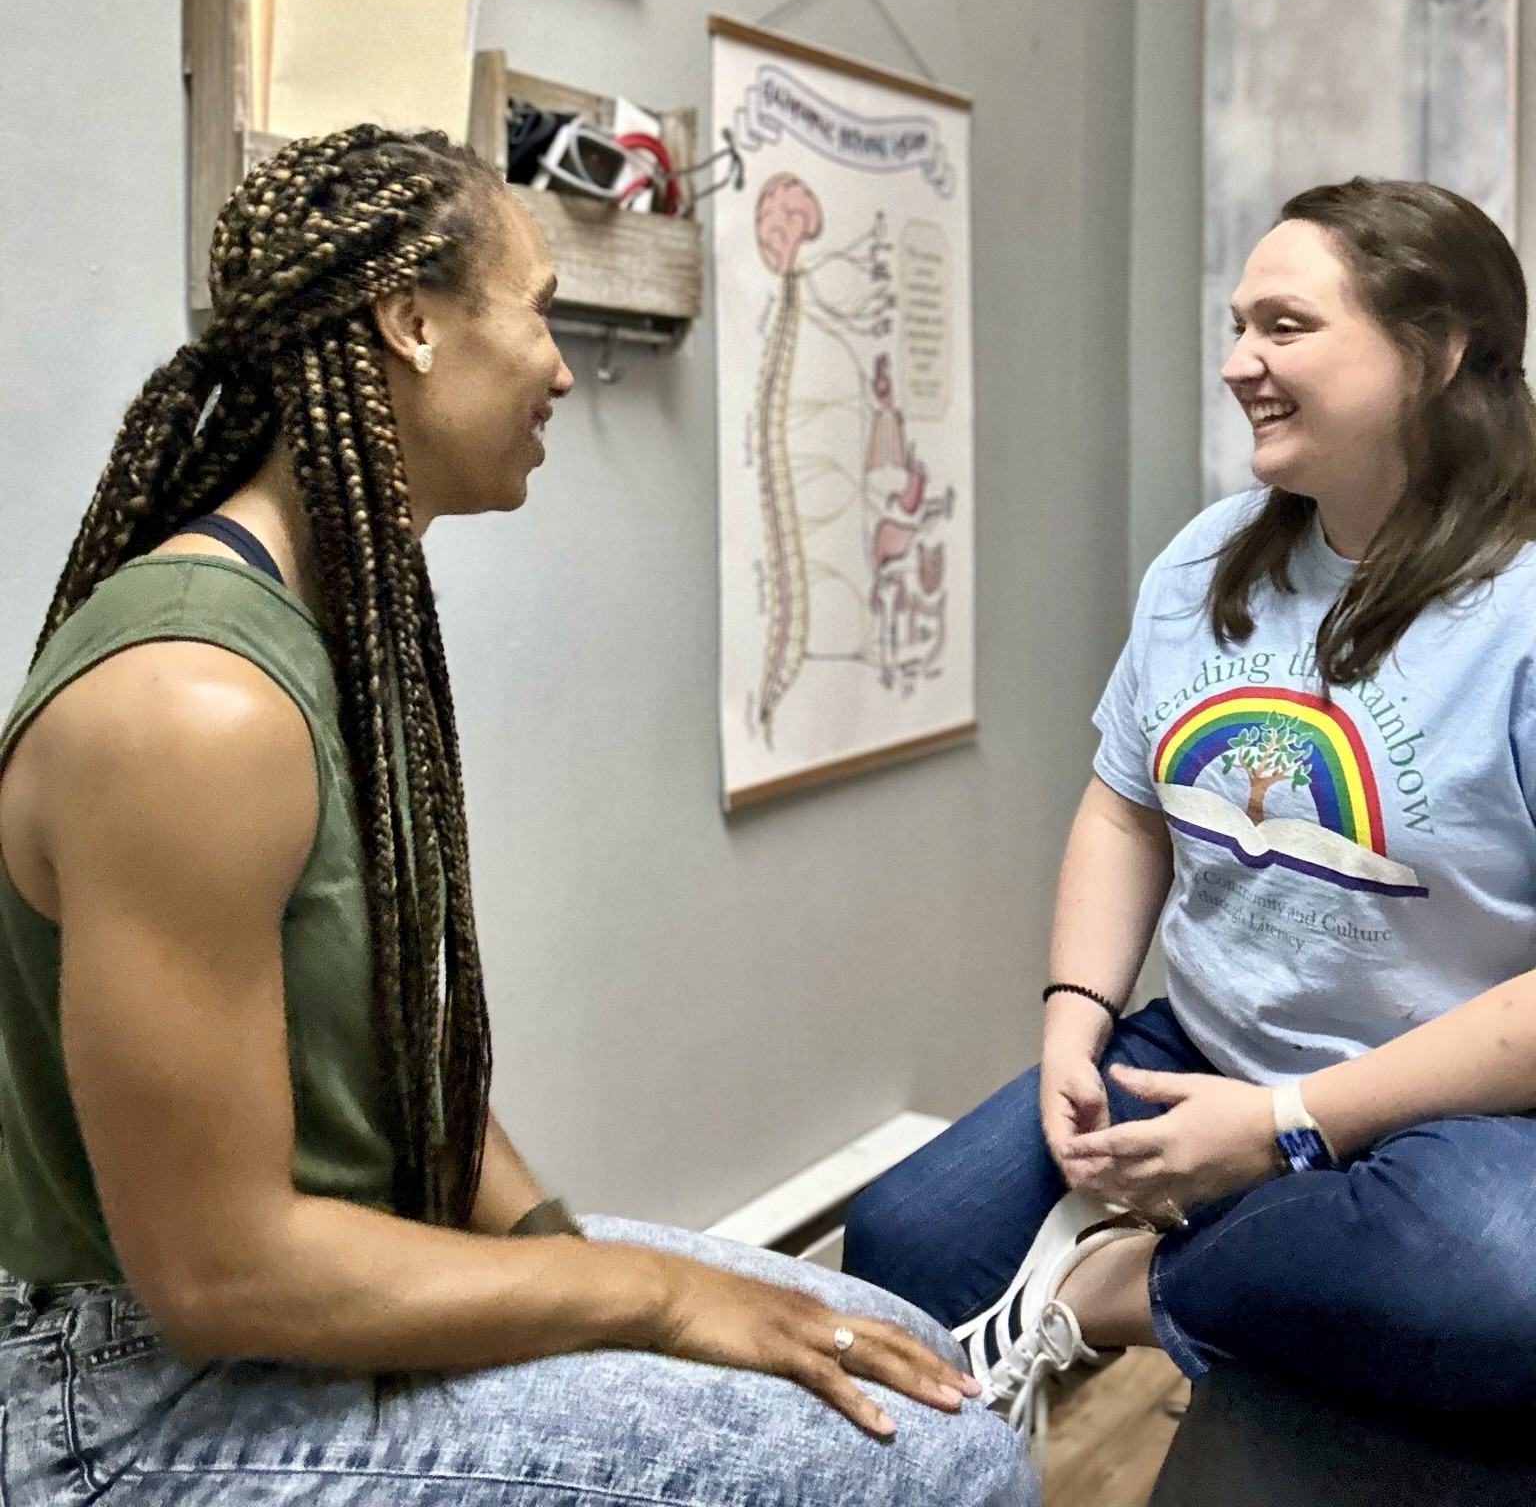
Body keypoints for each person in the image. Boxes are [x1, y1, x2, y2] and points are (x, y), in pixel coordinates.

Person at [0, 127, 1030, 1506]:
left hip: (290, 1299)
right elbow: (216, 1272)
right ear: (413, 323)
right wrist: (642, 1300)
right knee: (944, 1465)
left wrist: (563, 1253)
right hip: (124, 1400)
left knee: (903, 1351)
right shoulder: (196, 709)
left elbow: (394, 1052)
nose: (557, 365)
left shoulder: (334, 629)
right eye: (537, 308)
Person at [843, 177, 1536, 1457]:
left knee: (1499, 1283)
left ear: (1436, 353)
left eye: (1285, 326)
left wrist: (1282, 1128)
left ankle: (1111, 1290)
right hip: (1201, 1046)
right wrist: (1075, 1017)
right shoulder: (1209, 556)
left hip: (1451, 1104)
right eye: (1236, 325)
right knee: (900, 1241)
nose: (1238, 364)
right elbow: (1126, 808)